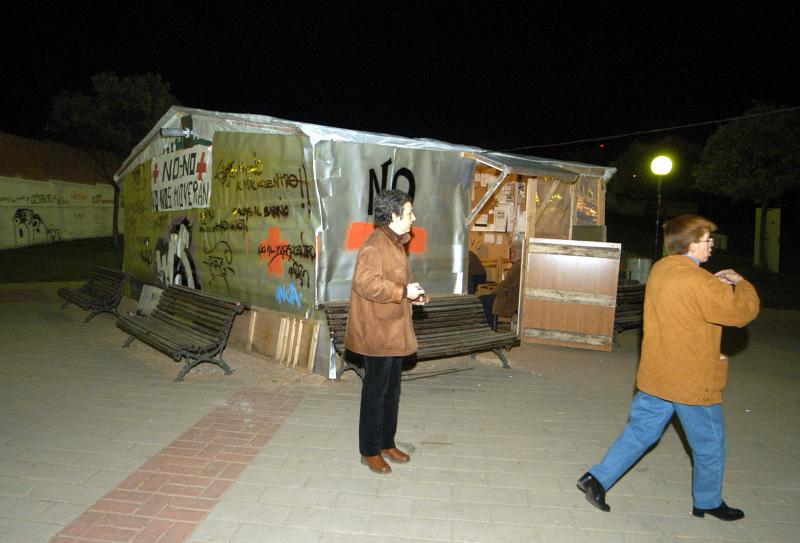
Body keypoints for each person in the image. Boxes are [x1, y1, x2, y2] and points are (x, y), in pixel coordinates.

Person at [577, 215, 759, 521]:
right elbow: (741, 313)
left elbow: (687, 300)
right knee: (711, 444)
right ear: (690, 244)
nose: (711, 246)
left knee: (640, 433)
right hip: (690, 380)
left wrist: (713, 283)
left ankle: (596, 479)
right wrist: (741, 284)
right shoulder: (699, 282)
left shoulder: (662, 269)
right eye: (706, 241)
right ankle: (708, 501)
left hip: (657, 375)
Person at [345, 190, 427, 474]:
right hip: (377, 332)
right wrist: (402, 291)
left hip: (393, 329)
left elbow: (391, 282)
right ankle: (369, 450)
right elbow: (365, 283)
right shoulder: (375, 244)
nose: (413, 218)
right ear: (393, 215)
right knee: (375, 392)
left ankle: (386, 442)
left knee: (392, 390)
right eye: (409, 213)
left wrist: (411, 296)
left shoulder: (394, 243)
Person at [478, 241, 522, 327]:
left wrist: (494, 292)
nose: (511, 255)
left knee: (482, 301)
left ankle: (491, 328)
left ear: (521, 253)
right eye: (511, 252)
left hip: (509, 298)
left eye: (514, 252)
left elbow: (506, 284)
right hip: (510, 296)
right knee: (484, 299)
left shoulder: (518, 267)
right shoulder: (519, 265)